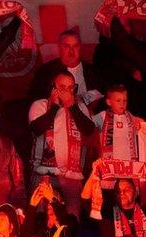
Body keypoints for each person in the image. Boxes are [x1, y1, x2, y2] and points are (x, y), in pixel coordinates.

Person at [29, 71, 96, 217]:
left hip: (72, 176)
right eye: (62, 87)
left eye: (71, 88)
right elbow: (37, 129)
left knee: (71, 221)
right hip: (44, 174)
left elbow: (89, 131)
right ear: (53, 87)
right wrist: (54, 106)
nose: (67, 92)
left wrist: (72, 107)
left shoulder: (80, 107)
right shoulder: (40, 105)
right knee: (43, 217)